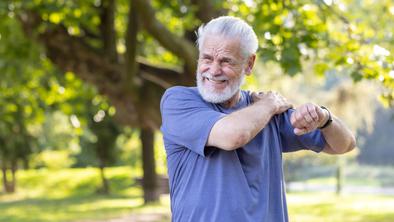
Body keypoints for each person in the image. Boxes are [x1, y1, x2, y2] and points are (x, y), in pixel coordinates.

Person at [160, 16, 356, 222]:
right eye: (207, 58)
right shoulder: (179, 100)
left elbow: (344, 145)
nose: (214, 70)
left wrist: (324, 117)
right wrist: (269, 104)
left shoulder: (267, 114)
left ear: (249, 64)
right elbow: (233, 136)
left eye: (226, 61)